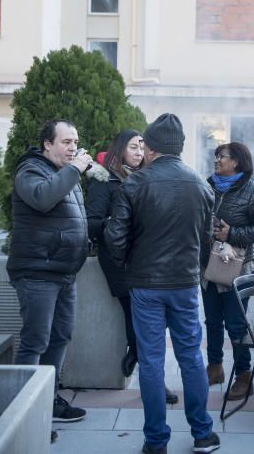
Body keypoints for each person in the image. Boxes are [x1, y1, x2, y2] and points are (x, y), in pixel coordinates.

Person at [105, 113, 220, 454]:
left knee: (152, 361)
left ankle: (156, 441)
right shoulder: (201, 185)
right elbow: (207, 242)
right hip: (185, 284)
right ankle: (202, 434)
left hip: (145, 285)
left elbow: (114, 237)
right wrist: (194, 273)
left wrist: (129, 264)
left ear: (151, 148)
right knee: (191, 357)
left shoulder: (135, 183)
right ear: (180, 148)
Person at [7, 119, 92, 423]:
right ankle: (23, 413)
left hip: (64, 273)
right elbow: (43, 198)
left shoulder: (62, 173)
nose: (73, 148)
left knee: (61, 336)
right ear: (47, 144)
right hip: (37, 272)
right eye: (66, 142)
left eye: (75, 142)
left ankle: (48, 400)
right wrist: (74, 169)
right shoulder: (30, 169)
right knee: (35, 341)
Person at [85, 129, 178, 404]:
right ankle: (150, 375)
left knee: (147, 320)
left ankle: (136, 354)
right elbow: (91, 223)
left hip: (145, 259)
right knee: (140, 318)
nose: (139, 153)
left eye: (142, 148)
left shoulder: (143, 178)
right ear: (120, 149)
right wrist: (120, 224)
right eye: (133, 147)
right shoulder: (104, 180)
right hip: (119, 260)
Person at [203, 142, 254, 401]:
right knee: (211, 321)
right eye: (216, 156)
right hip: (208, 266)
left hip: (238, 268)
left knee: (236, 324)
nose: (217, 160)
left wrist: (233, 234)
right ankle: (215, 368)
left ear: (238, 163)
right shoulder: (207, 187)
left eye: (223, 156)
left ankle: (244, 376)